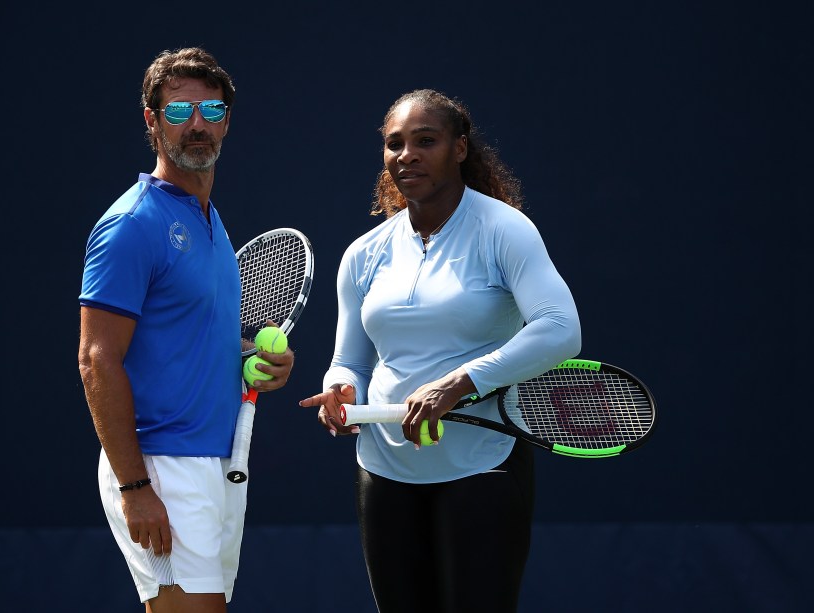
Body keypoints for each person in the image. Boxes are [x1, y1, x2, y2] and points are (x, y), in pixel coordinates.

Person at [299, 89, 581, 613]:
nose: (407, 155)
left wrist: (457, 383)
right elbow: (351, 360)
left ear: (460, 148)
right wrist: (341, 389)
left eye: (425, 141)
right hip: (384, 469)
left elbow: (561, 328)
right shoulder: (364, 254)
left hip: (484, 467)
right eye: (395, 144)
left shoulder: (505, 230)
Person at [77, 47, 294, 613]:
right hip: (160, 466)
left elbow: (191, 338)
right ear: (152, 122)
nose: (197, 124)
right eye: (178, 112)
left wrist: (250, 357)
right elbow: (96, 359)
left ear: (226, 120)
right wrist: (135, 488)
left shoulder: (210, 218)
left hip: (216, 464)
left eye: (210, 110)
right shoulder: (131, 224)